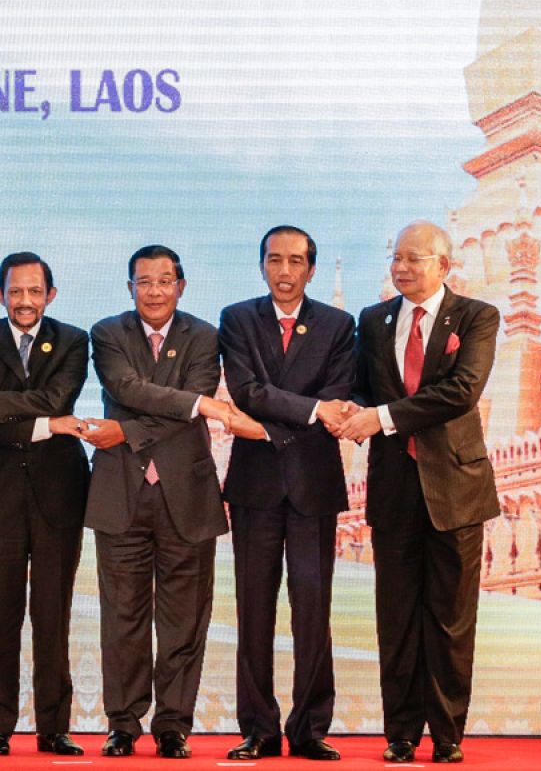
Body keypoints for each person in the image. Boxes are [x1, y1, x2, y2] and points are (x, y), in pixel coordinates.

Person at [82, 244, 263, 760]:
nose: (154, 291)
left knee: (185, 619)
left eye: (165, 281)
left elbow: (175, 402)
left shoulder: (206, 336)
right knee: (123, 618)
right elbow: (126, 386)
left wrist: (129, 430)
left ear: (181, 286)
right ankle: (123, 723)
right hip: (121, 495)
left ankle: (172, 725)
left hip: (187, 496)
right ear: (130, 288)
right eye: (144, 281)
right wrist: (200, 405)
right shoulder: (108, 333)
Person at [333, 220, 501, 765]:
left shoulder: (476, 316)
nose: (401, 268)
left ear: (443, 265)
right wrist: (346, 411)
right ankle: (400, 733)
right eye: (396, 259)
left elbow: (460, 391)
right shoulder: (374, 320)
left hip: (455, 487)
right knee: (397, 616)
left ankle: (448, 733)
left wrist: (378, 418)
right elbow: (361, 388)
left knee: (451, 618)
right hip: (394, 489)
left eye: (414, 259)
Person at [218, 226, 355, 762]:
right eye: (275, 259)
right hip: (255, 487)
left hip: (313, 486)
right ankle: (258, 728)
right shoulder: (238, 319)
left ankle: (309, 727)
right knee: (254, 610)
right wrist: (310, 413)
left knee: (312, 610)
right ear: (261, 265)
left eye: (296, 261)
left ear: (311, 270)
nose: (284, 270)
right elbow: (246, 391)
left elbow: (338, 397)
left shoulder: (339, 325)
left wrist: (295, 415)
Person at [0, 252, 89, 758]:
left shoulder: (74, 340)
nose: (25, 301)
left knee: (53, 618)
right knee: (0, 617)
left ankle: (54, 727)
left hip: (59, 496)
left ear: (50, 295)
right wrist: (43, 425)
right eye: (15, 292)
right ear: (0, 294)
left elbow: (59, 397)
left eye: (35, 292)